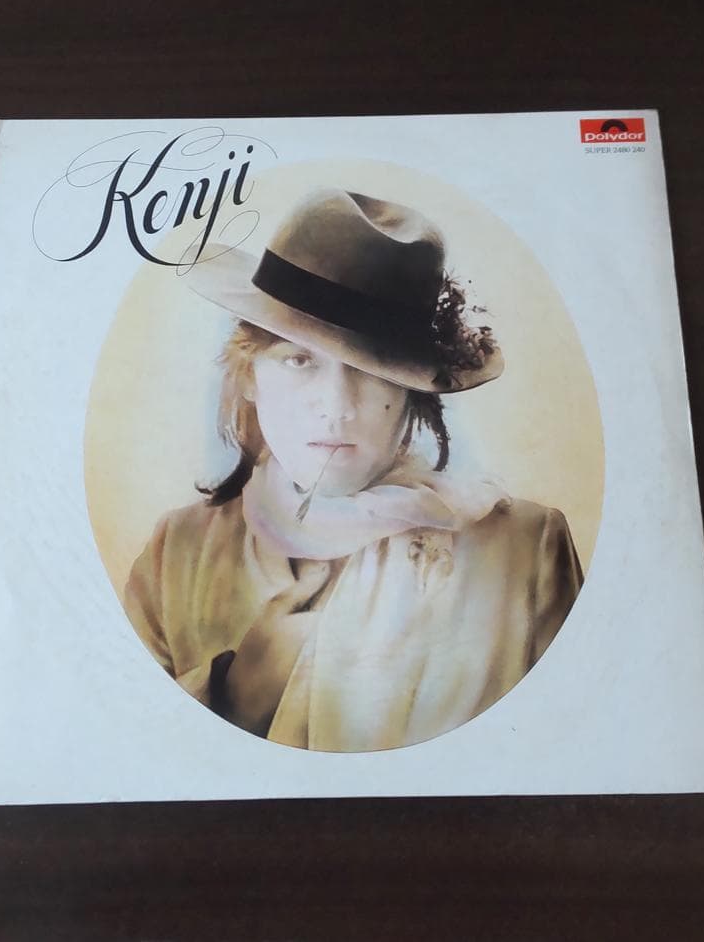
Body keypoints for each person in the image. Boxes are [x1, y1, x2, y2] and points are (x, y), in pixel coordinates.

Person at [123, 187, 583, 752]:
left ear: (413, 389)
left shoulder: (524, 553)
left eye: (371, 370)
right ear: (249, 374)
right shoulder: (178, 553)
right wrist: (230, 693)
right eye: (299, 360)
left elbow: (566, 745)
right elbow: (125, 748)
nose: (337, 407)